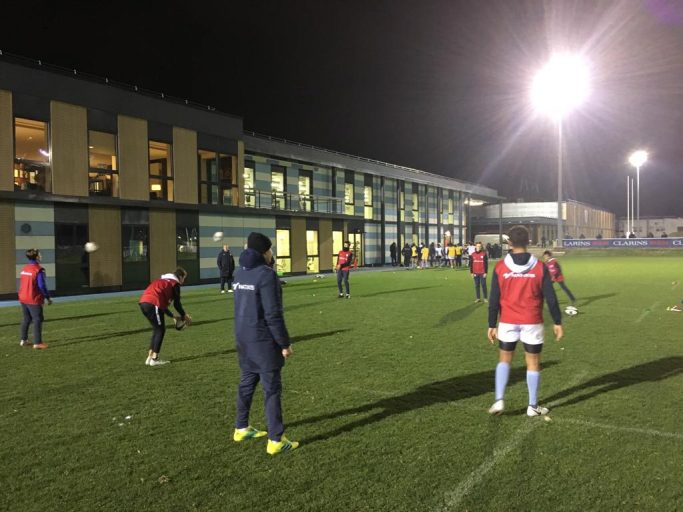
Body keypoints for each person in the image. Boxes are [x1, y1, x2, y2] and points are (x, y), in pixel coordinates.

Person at [232, 232, 298, 455]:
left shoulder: (239, 272)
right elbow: (273, 314)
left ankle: (241, 427)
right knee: (271, 390)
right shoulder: (266, 275)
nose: (272, 254)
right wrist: (284, 343)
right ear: (264, 251)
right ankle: (276, 440)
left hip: (243, 338)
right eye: (270, 250)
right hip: (263, 342)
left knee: (247, 384)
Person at [487, 225, 563, 417]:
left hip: (507, 322)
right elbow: (551, 297)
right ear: (529, 242)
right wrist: (557, 321)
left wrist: (491, 324)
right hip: (532, 322)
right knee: (533, 363)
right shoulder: (540, 267)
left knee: (504, 360)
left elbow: (494, 299)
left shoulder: (500, 267)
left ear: (509, 243)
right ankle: (532, 406)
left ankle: (499, 400)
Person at [138, 267, 192, 366]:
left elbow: (162, 306)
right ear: (180, 277)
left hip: (143, 303)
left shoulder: (163, 281)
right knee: (160, 330)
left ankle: (150, 357)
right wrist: (184, 316)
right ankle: (154, 359)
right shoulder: (174, 284)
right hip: (153, 303)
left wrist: (173, 316)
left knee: (157, 329)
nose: (183, 281)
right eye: (184, 278)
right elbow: (177, 304)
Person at [18, 249, 52, 349]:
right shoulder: (39, 269)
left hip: (23, 297)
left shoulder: (25, 268)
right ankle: (37, 343)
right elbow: (41, 286)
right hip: (33, 298)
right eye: (39, 254)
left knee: (26, 318)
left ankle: (23, 340)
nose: (41, 256)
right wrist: (48, 297)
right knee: (37, 319)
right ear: (36, 257)